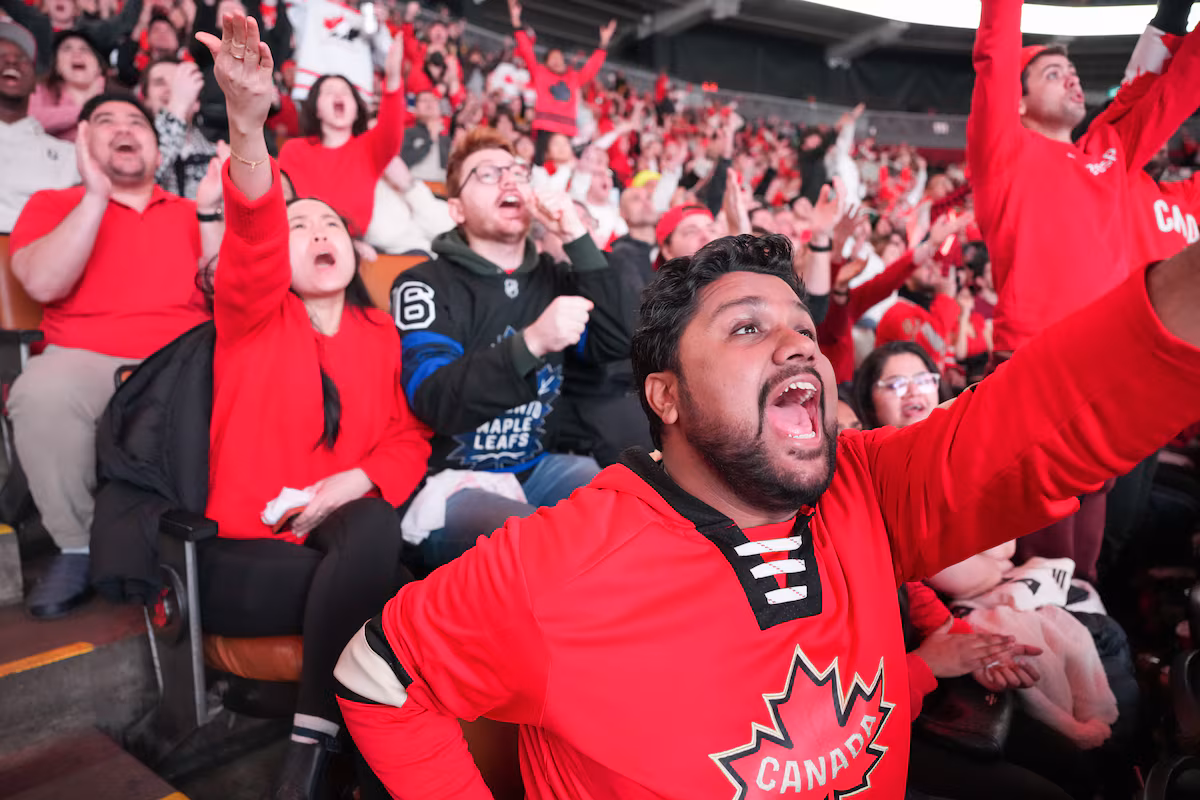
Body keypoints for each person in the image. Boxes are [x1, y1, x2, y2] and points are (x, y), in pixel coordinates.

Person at [335, 228, 1200, 797]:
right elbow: (377, 677)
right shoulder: (562, 558)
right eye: (747, 329)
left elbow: (1056, 412)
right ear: (665, 396)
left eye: (802, 328)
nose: (798, 344)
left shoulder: (870, 487)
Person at [194, 14, 430, 797]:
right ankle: (342, 761)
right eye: (303, 224)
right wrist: (246, 123)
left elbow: (411, 437)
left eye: (331, 221)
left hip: (345, 550)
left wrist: (350, 482)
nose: (320, 229)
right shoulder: (252, 313)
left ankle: (315, 755)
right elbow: (255, 226)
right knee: (393, 590)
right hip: (246, 560)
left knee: (376, 541)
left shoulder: (380, 330)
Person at [8, 91, 224, 618]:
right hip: (87, 358)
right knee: (41, 391)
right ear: (81, 139)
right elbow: (40, 280)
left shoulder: (192, 208)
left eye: (138, 123)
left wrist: (212, 211)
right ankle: (78, 546)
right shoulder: (53, 204)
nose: (125, 129)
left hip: (183, 363)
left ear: (158, 148)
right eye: (106, 121)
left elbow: (229, 294)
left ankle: (228, 539)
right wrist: (94, 197)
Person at [390, 126, 632, 568]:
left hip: (535, 468)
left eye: (517, 172)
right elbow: (436, 401)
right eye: (486, 174)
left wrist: (577, 238)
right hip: (451, 479)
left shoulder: (554, 277)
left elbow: (616, 341)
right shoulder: (422, 283)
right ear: (457, 209)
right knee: (545, 547)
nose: (507, 180)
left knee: (623, 516)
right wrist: (533, 343)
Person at [967, 0, 1200, 361]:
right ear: (1017, 103)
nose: (1072, 78)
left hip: (1118, 354)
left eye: (1071, 71)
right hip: (1034, 355)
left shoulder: (1109, 150)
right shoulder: (1004, 151)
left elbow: (1174, 92)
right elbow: (996, 50)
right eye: (1053, 74)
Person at [278, 32, 404, 236]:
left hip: (350, 245)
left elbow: (391, 126)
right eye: (328, 92)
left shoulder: (370, 149)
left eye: (345, 92)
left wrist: (393, 77)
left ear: (357, 110)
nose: (338, 95)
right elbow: (282, 207)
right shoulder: (294, 151)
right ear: (316, 109)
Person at [508, 0, 614, 163]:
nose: (557, 61)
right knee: (540, 165)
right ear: (546, 62)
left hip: (567, 129)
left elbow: (591, 68)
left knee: (565, 167)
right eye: (553, 58)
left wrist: (604, 43)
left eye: (559, 58)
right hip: (545, 126)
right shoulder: (540, 72)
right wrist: (516, 22)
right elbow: (526, 50)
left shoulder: (573, 77)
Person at [0, 22, 79, 232]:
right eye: (0, 55)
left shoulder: (69, 156)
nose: (11, 61)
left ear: (35, 83)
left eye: (22, 59)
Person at [140, 57, 218, 199]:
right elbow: (140, 182)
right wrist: (177, 108)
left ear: (197, 103)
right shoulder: (135, 150)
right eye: (159, 83)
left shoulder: (218, 155)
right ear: (145, 101)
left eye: (179, 84)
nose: (172, 90)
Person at [0, 0, 143, 73]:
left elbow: (126, 21)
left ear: (76, 9)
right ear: (45, 5)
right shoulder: (37, 27)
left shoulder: (92, 31)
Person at [364, 155, 453, 256]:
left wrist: (409, 188)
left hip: (437, 257)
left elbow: (447, 228)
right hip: (406, 259)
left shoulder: (398, 173)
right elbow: (384, 234)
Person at [29, 29, 108, 141]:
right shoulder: (41, 90)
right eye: (67, 49)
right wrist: (87, 108)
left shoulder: (117, 98)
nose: (77, 54)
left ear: (99, 68)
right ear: (57, 67)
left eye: (85, 49)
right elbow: (31, 121)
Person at [400, 89, 450, 184]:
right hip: (414, 185)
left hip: (441, 189)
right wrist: (431, 139)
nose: (429, 104)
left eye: (433, 100)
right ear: (415, 110)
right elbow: (405, 161)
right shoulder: (408, 133)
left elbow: (448, 168)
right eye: (424, 101)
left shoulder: (445, 139)